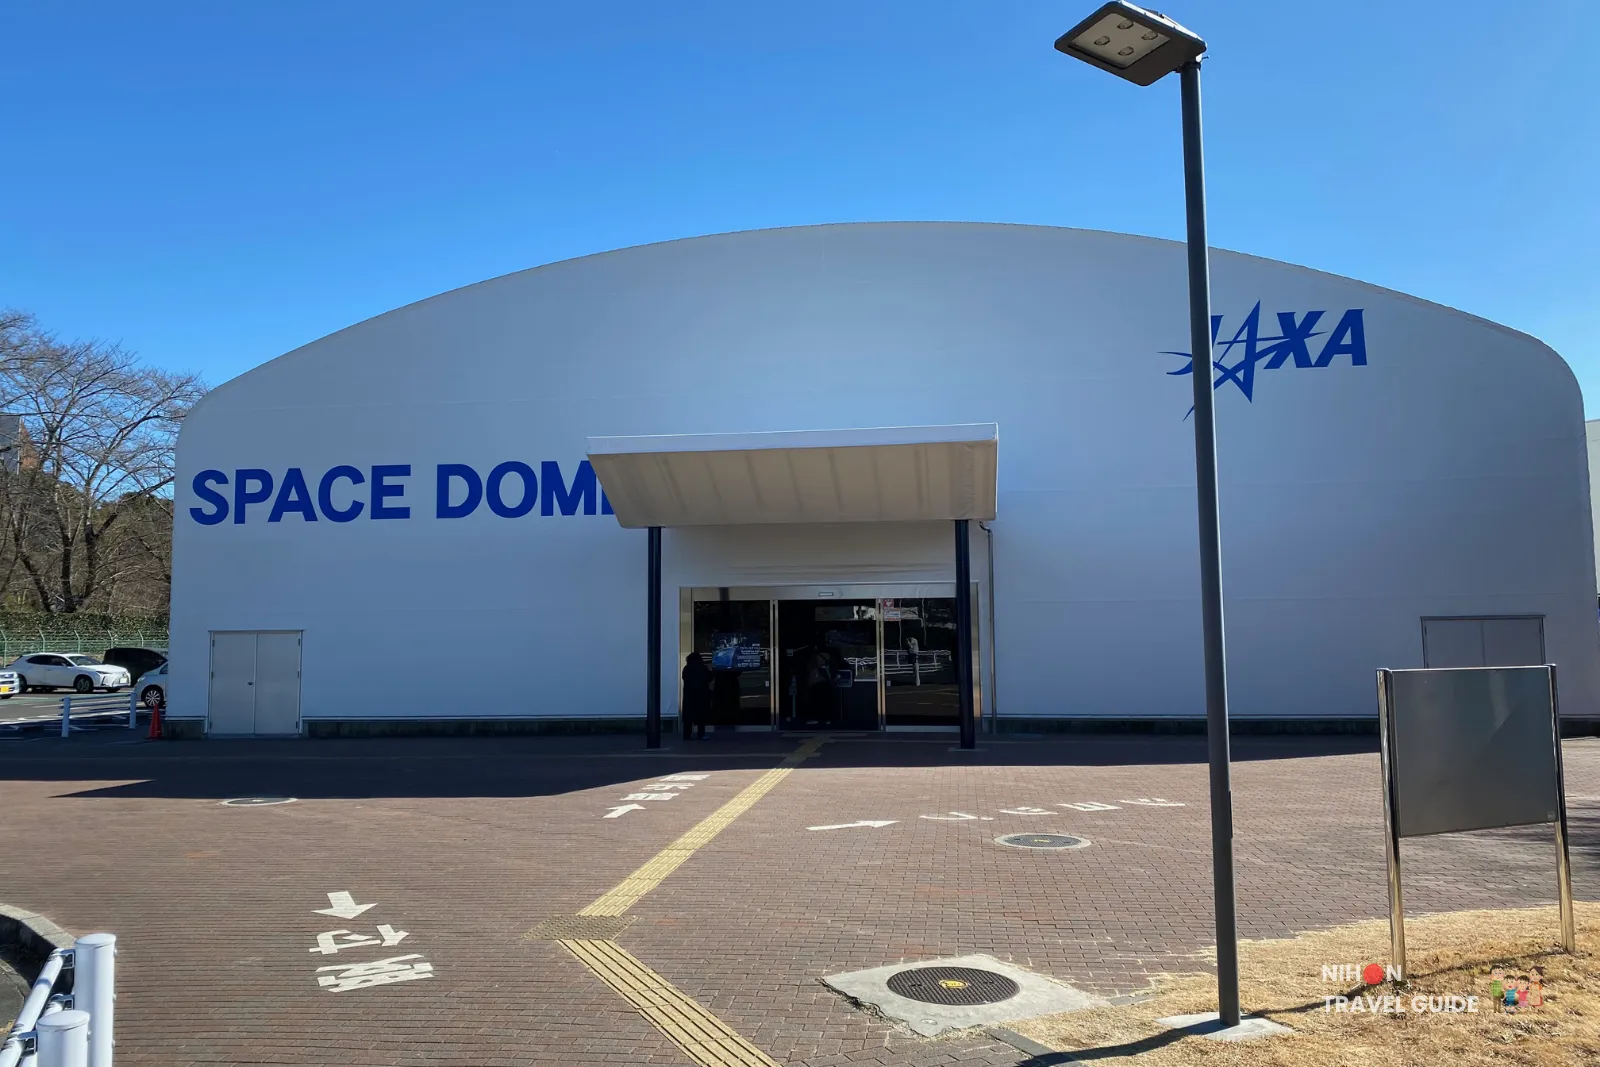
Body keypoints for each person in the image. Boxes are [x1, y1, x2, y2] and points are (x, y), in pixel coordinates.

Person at [681, 652, 712, 740]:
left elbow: (684, 678)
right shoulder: (702, 668)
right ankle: (701, 734)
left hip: (689, 695)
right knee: (701, 716)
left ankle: (687, 735)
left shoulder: (686, 668)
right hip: (701, 695)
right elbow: (709, 678)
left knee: (688, 718)